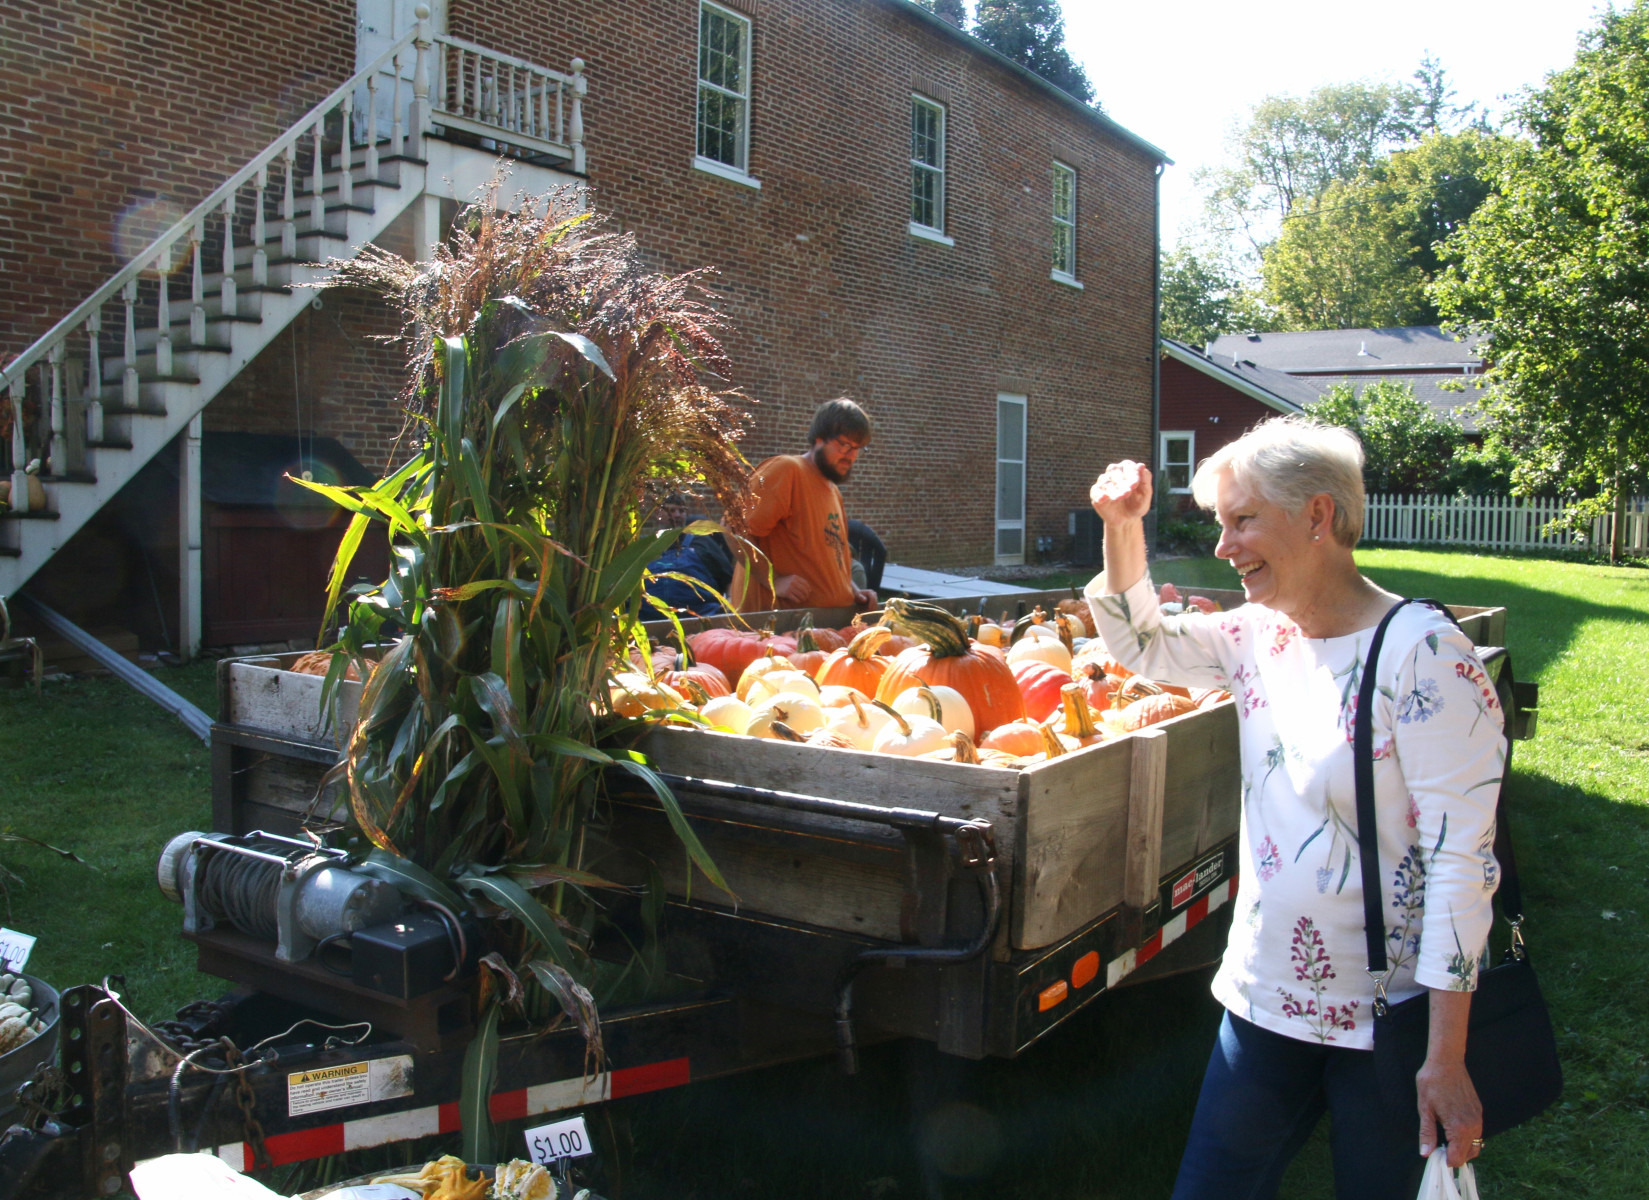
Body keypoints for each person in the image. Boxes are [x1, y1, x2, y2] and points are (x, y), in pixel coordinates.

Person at [1085, 417, 1503, 1200]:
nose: (1222, 546)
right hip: (1263, 1002)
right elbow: (1141, 644)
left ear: (1317, 516)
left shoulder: (1423, 655)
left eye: (1242, 520)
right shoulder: (1255, 636)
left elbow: (1461, 863)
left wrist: (1445, 1059)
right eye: (1220, 524)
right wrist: (1122, 526)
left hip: (1389, 1015)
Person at [730, 398, 879, 612]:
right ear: (819, 438)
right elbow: (733, 528)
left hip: (824, 626)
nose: (851, 456)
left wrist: (854, 591)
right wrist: (774, 580)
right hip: (775, 625)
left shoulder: (833, 492)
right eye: (845, 445)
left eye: (858, 448)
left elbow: (833, 560)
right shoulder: (787, 470)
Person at [643, 492, 735, 616]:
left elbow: (729, 580)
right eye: (671, 510)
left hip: (702, 617)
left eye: (681, 511)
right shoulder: (643, 550)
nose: (677, 515)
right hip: (648, 619)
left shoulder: (702, 543)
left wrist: (730, 602)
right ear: (658, 513)